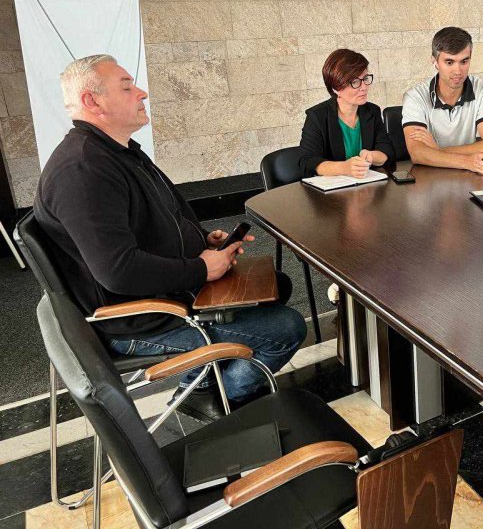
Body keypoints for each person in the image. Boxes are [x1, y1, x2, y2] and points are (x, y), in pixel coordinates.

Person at [34, 54, 307, 421]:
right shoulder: (83, 170)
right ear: (92, 101)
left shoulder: (117, 153)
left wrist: (203, 241)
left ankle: (204, 375)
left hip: (163, 292)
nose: (142, 93)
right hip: (138, 317)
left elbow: (158, 219)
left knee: (276, 285)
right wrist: (202, 269)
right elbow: (118, 271)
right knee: (286, 328)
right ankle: (215, 394)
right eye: (127, 87)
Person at [401, 27, 483, 175]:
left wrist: (437, 151)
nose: (458, 71)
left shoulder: (482, 89)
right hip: (430, 178)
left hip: (469, 176)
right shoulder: (415, 96)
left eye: (464, 61)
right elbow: (417, 154)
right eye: (449, 62)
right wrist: (466, 161)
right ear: (435, 62)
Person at [299, 49, 394, 179]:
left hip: (367, 185)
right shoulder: (317, 116)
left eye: (365, 78)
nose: (364, 87)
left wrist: (371, 156)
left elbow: (387, 150)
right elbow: (307, 162)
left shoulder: (372, 111)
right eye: (355, 82)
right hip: (332, 190)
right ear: (336, 88)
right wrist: (345, 168)